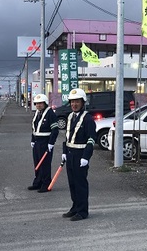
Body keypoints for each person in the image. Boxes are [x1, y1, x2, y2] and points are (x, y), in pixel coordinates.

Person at [62, 88, 96, 221]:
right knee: (72, 183)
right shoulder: (70, 116)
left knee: (80, 184)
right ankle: (75, 207)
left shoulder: (88, 119)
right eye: (72, 102)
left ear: (82, 102)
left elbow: (92, 139)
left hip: (80, 155)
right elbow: (67, 137)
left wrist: (86, 157)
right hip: (70, 154)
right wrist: (64, 152)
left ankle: (82, 211)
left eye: (77, 101)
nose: (74, 104)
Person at [29, 94, 59, 193]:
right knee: (37, 163)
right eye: (37, 103)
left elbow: (55, 130)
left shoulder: (50, 113)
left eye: (40, 103)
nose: (38, 105)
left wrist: (51, 143)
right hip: (37, 142)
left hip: (45, 142)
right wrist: (32, 140)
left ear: (45, 103)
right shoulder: (37, 113)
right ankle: (38, 182)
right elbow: (34, 129)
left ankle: (46, 184)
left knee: (45, 164)